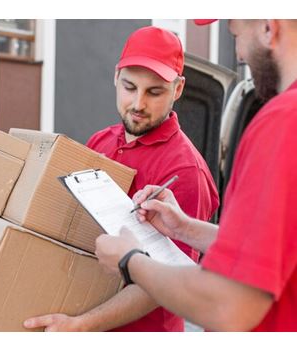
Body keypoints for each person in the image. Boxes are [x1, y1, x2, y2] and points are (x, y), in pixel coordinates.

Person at [95, 19, 297, 332]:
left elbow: (227, 304)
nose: (240, 54)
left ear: (269, 28)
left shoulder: (283, 122)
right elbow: (272, 247)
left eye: (235, 34)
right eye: (130, 87)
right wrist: (186, 228)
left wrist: (129, 261)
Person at [23, 26, 219, 332]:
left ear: (178, 89)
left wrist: (82, 324)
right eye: (130, 87)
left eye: (154, 92)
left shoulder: (185, 171)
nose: (138, 104)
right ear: (116, 77)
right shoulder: (101, 141)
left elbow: (166, 284)